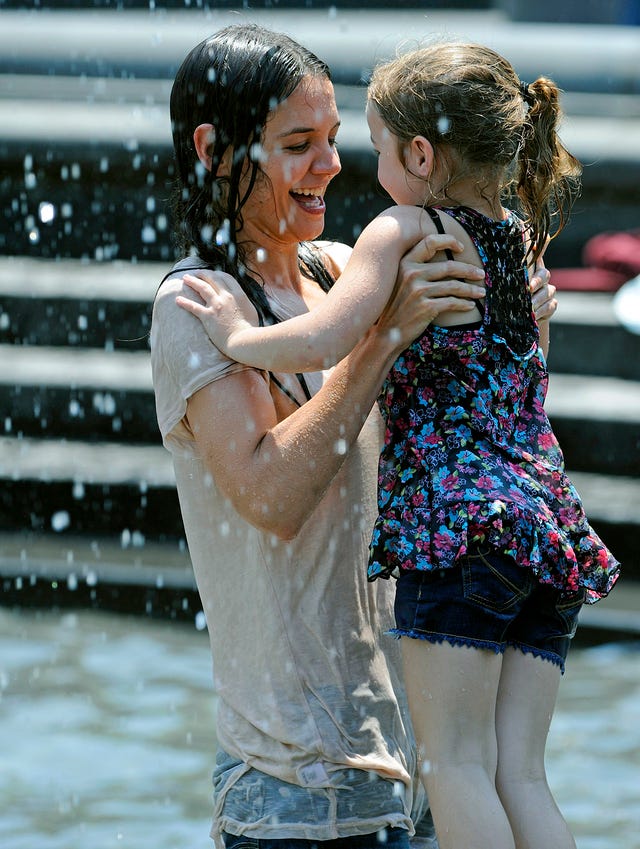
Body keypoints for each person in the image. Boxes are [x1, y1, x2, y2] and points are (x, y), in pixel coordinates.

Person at [177, 41, 621, 849]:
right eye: (301, 144)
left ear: (420, 154)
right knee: (521, 775)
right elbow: (522, 383)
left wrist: (242, 338)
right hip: (543, 532)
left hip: (456, 563)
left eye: (356, 140)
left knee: (466, 767)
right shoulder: (515, 241)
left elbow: (325, 338)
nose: (338, 164)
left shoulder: (390, 241)